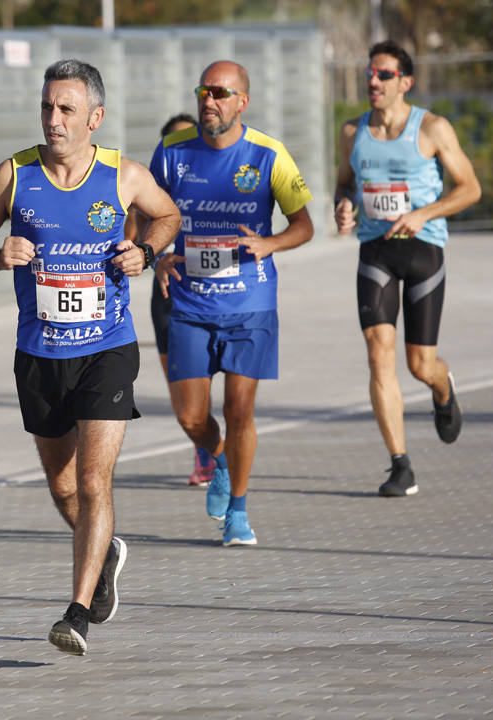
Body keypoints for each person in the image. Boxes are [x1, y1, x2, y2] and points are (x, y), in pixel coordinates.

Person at [0, 59, 180, 655]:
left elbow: (168, 215)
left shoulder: (124, 176)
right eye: (47, 108)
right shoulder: (13, 176)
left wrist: (147, 252)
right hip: (39, 353)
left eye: (67, 110)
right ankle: (105, 552)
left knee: (92, 478)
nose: (53, 120)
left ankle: (76, 613)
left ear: (94, 118)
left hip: (107, 348)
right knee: (63, 489)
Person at [151, 61, 314, 546]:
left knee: (240, 409)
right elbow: (143, 210)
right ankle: (218, 458)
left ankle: (238, 513)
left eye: (221, 93)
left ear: (242, 102)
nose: (209, 101)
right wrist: (153, 254)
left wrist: (272, 244)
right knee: (190, 418)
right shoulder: (171, 152)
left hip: (250, 303)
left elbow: (304, 225)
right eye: (204, 91)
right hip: (189, 302)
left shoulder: (269, 154)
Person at [334, 41, 480, 498]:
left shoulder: (432, 127)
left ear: (405, 82)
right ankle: (400, 465)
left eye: (383, 75)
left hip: (423, 252)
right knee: (379, 352)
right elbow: (345, 180)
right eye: (369, 74)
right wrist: (343, 205)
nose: (372, 81)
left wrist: (425, 214)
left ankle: (442, 387)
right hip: (376, 250)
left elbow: (470, 188)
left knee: (419, 364)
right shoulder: (351, 131)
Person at [127, 113, 214, 488]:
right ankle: (207, 451)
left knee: (211, 389)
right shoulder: (149, 194)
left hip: (220, 297)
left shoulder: (215, 187)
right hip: (169, 297)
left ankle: (220, 459)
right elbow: (130, 245)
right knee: (185, 406)